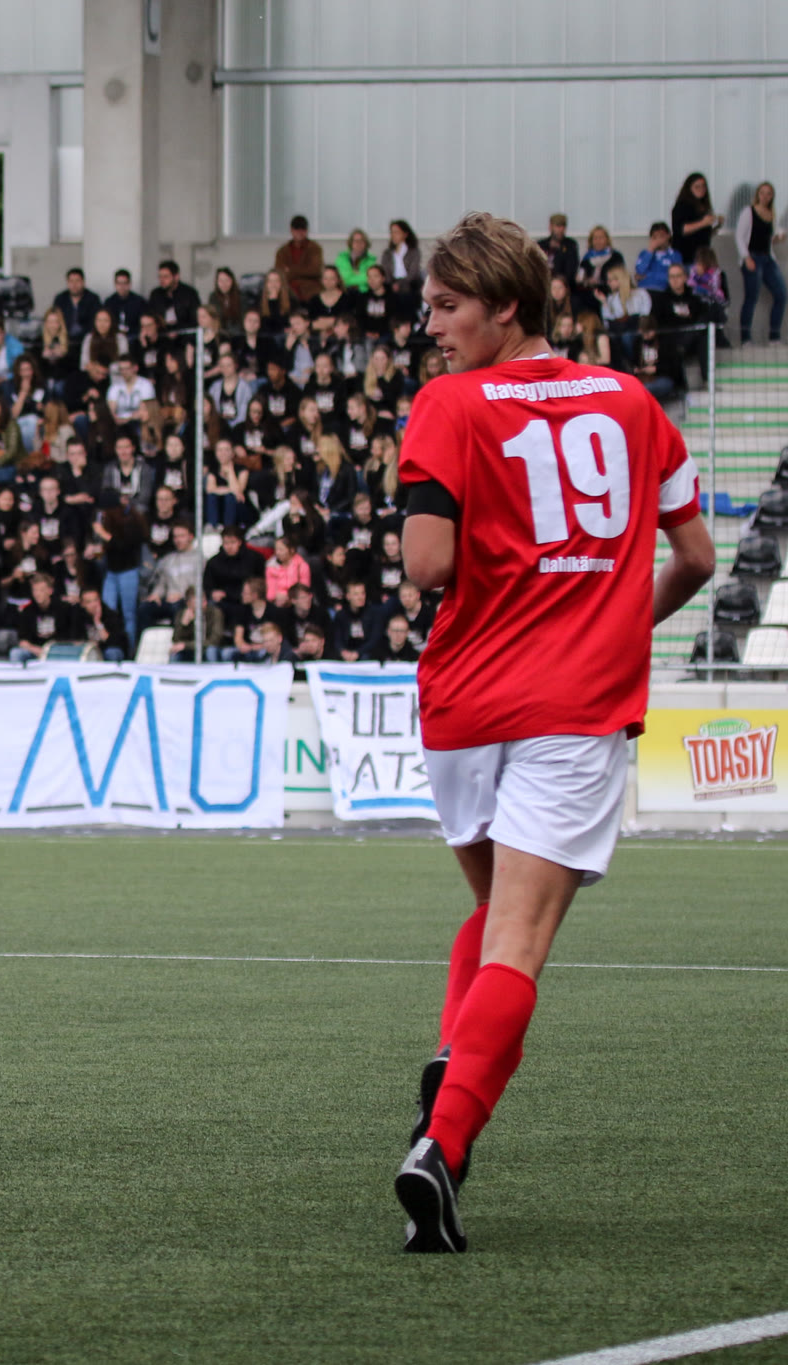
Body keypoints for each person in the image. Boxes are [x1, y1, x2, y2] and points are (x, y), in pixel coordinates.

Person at [388, 213, 715, 1256]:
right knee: (519, 941)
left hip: (462, 703)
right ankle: (442, 1143)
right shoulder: (632, 403)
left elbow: (427, 567)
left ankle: (452, 1069)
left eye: (445, 306)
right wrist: (614, 619)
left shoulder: (447, 405)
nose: (430, 325)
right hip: (572, 705)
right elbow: (697, 558)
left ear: (503, 307)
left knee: (496, 921)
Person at [736, 181, 787, 345]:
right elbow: (739, 236)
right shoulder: (748, 212)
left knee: (781, 294)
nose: (765, 196)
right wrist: (746, 257)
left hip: (767, 258)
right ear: (758, 194)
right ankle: (745, 338)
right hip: (752, 257)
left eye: (769, 194)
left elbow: (766, 239)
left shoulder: (771, 214)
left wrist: (777, 239)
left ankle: (774, 337)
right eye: (762, 193)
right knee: (751, 297)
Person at [274, 215, 326, 299]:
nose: (300, 232)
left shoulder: (315, 248)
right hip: (288, 290)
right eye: (296, 229)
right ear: (291, 230)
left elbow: (315, 270)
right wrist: (304, 270)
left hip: (311, 290)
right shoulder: (282, 251)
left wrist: (291, 270)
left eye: (303, 229)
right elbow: (279, 273)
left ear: (307, 230)